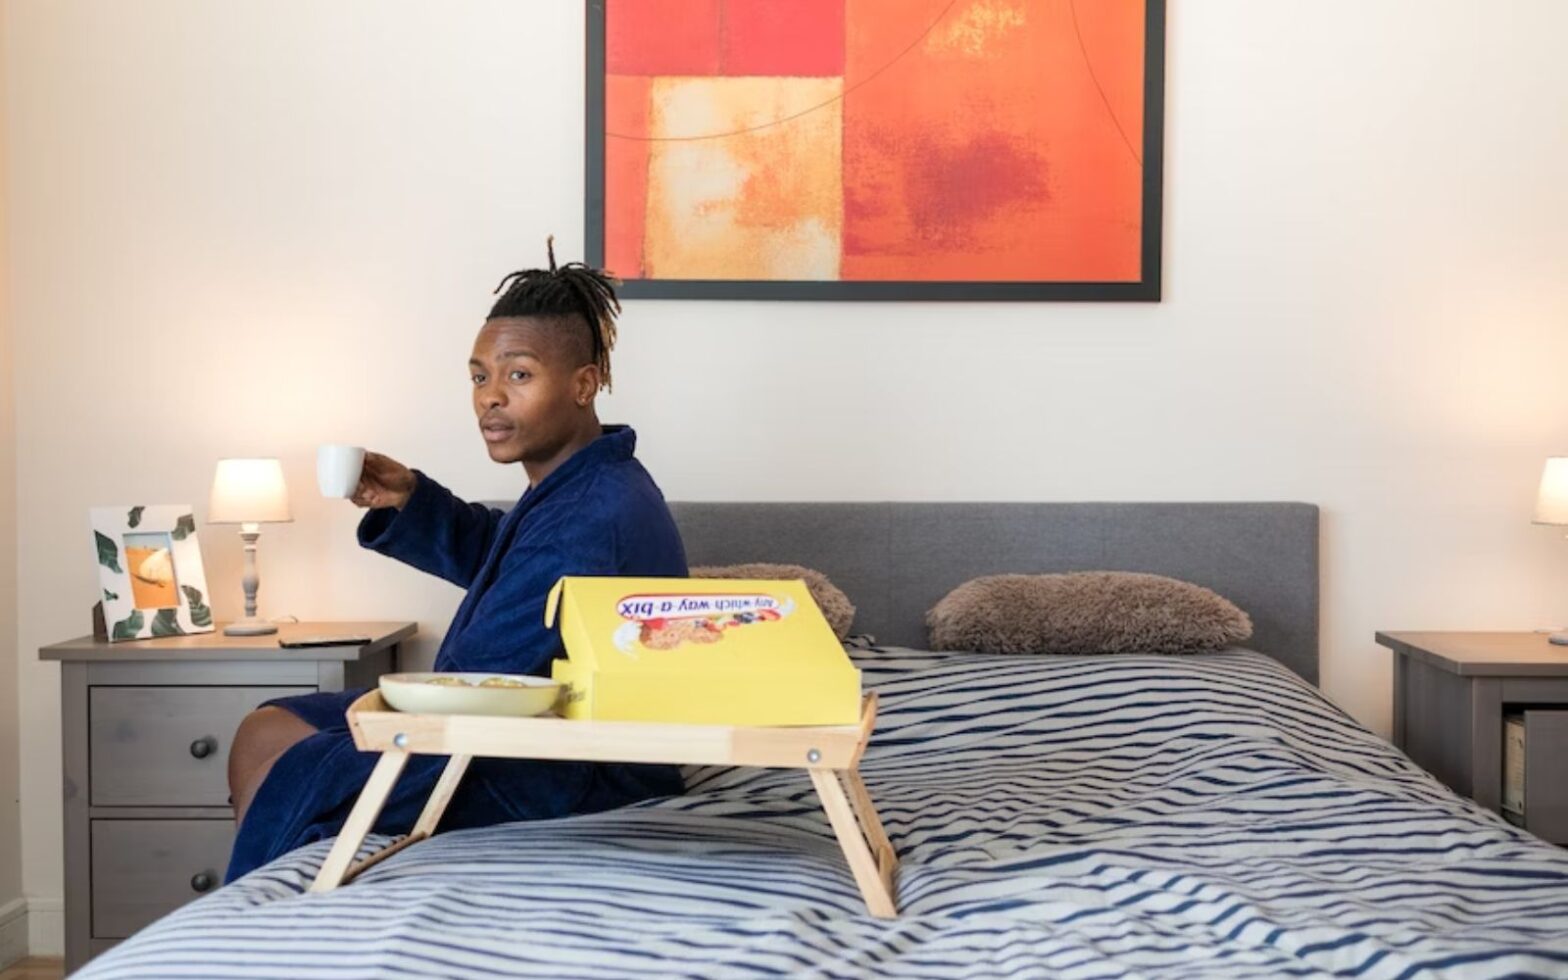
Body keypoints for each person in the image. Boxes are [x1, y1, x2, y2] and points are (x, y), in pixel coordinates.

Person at [223, 241, 689, 882]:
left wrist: (397, 718)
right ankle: (271, 885)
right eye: (479, 376)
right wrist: (413, 498)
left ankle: (265, 907)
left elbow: (483, 675)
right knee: (273, 722)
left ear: (583, 384)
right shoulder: (580, 485)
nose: (490, 398)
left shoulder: (596, 515)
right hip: (520, 728)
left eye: (518, 375)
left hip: (558, 766)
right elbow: (514, 564)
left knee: (290, 758)